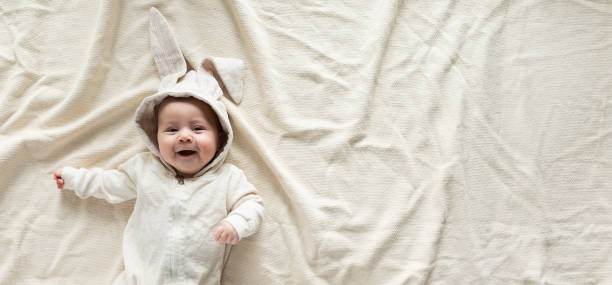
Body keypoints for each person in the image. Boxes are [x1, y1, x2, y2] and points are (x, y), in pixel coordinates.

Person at [53, 7, 263, 284]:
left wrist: (236, 223)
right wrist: (74, 179)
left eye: (198, 128)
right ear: (154, 137)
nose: (184, 137)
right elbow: (109, 183)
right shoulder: (144, 170)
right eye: (172, 129)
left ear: (221, 137)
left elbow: (253, 205)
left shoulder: (227, 179)